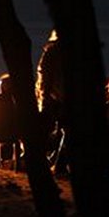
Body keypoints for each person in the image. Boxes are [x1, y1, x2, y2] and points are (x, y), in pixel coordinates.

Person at [35, 29, 69, 176]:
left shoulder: (50, 53)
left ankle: (39, 165)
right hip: (65, 100)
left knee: (43, 133)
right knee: (68, 134)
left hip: (52, 100)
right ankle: (58, 165)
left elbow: (43, 77)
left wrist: (42, 98)